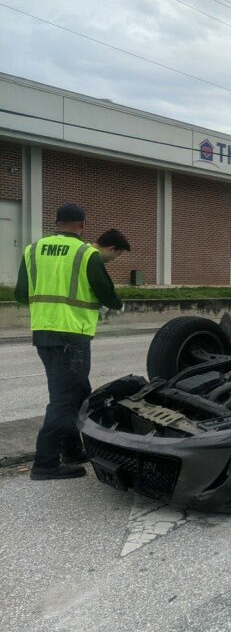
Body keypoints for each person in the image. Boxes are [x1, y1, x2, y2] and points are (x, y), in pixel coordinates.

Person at [13, 203, 128, 480]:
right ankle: (45, 463)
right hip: (72, 336)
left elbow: (20, 294)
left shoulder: (33, 250)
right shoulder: (86, 253)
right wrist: (116, 305)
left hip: (43, 334)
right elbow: (106, 294)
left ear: (56, 221)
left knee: (72, 394)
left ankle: (73, 450)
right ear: (82, 225)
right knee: (65, 400)